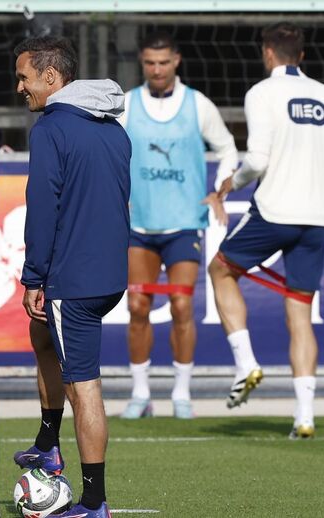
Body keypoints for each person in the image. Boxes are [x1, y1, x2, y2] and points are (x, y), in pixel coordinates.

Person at [209, 22, 324, 439]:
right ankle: (304, 416)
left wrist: (230, 183)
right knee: (300, 311)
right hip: (317, 216)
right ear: (302, 55)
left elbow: (257, 159)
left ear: (268, 53)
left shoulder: (262, 93)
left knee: (220, 271)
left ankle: (246, 363)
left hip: (275, 211)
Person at [12, 36, 130, 518]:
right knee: (43, 337)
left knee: (86, 388)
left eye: (23, 77)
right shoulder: (113, 129)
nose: (19, 87)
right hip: (107, 273)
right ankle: (47, 442)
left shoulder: (51, 130)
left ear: (51, 77)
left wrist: (34, 277)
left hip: (73, 277)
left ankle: (94, 503)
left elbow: (43, 209)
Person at [118, 31, 238, 420]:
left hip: (185, 224)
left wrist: (220, 189)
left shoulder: (197, 104)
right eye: (150, 63)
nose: (157, 69)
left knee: (183, 305)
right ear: (142, 62)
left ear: (177, 61)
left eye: (164, 62)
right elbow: (106, 151)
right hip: (139, 225)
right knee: (137, 307)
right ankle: (141, 394)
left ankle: (182, 394)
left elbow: (228, 148)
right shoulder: (127, 104)